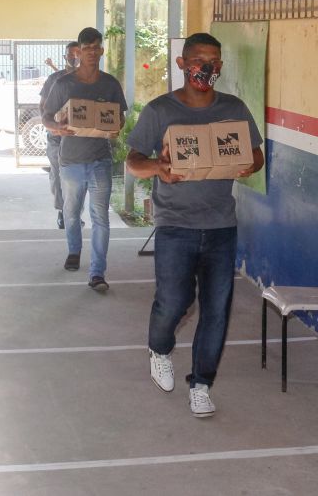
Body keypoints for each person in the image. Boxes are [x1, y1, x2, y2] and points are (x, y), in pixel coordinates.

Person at [125, 32, 265, 417]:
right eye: (199, 59)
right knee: (174, 302)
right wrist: (159, 168)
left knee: (217, 309)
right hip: (175, 225)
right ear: (182, 64)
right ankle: (160, 348)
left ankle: (201, 384)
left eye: (214, 61)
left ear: (220, 66)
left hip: (221, 224)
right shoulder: (160, 111)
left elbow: (255, 154)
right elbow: (132, 161)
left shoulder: (234, 108)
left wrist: (248, 164)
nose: (207, 67)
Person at [42, 27, 127, 291]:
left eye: (96, 48)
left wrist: (117, 127)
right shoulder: (64, 83)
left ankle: (97, 272)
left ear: (101, 50)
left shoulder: (110, 84)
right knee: (71, 211)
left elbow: (119, 116)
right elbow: (46, 116)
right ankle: (74, 250)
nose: (91, 53)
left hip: (100, 159)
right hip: (71, 161)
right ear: (79, 51)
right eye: (86, 48)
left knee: (100, 216)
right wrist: (56, 128)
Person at [39, 42, 80, 229]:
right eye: (71, 55)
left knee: (77, 179)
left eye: (78, 54)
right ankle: (63, 212)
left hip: (80, 138)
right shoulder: (54, 79)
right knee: (58, 174)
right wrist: (52, 127)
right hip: (57, 138)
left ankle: (74, 212)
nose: (75, 58)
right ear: (65, 58)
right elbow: (43, 106)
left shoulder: (89, 80)